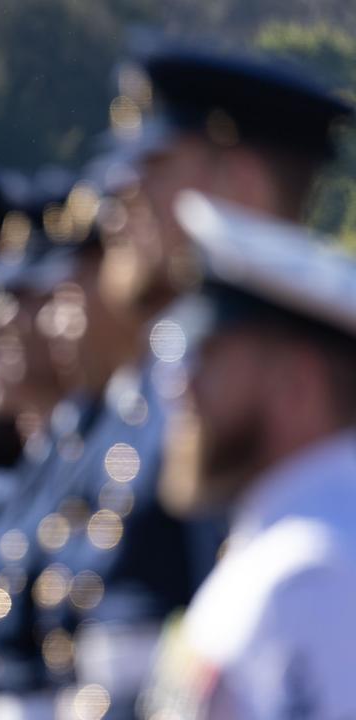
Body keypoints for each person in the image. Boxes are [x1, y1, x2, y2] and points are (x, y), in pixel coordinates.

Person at [143, 193, 356, 718]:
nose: (178, 388)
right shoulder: (288, 546)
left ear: (296, 387)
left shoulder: (312, 572)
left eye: (207, 359)